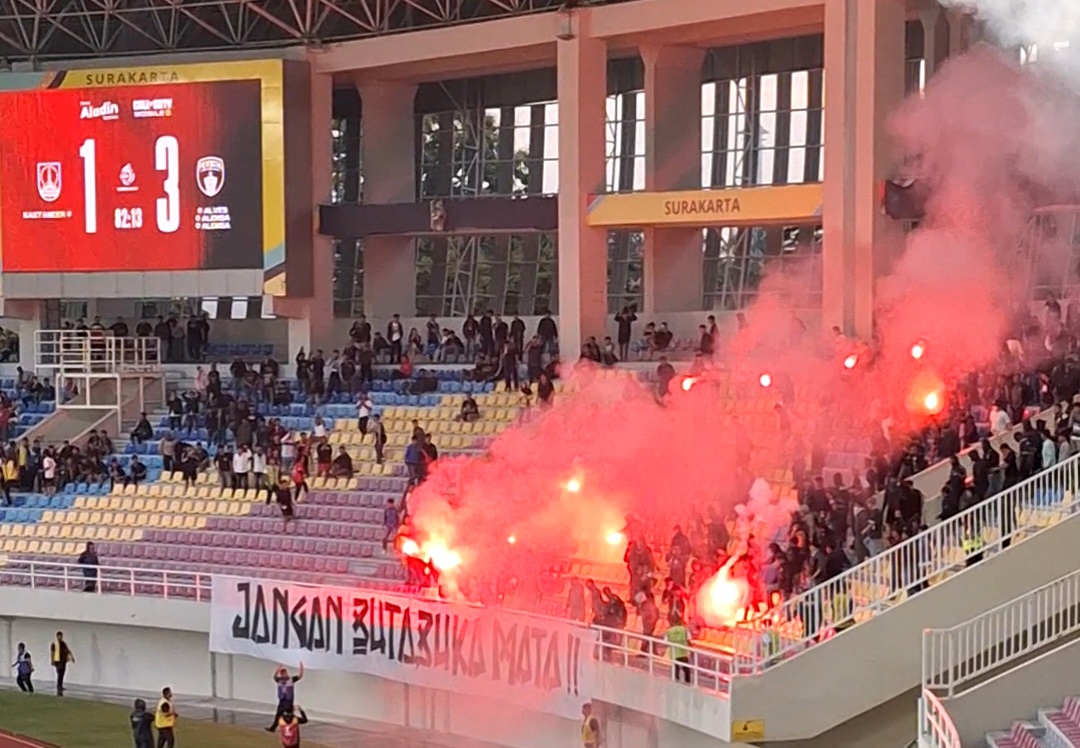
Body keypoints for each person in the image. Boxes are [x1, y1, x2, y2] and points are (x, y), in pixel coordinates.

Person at [265, 663, 304, 732]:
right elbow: (274, 677)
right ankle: (273, 728)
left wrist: (301, 668)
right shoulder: (279, 680)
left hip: (288, 701)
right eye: (282, 673)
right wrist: (278, 669)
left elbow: (300, 676)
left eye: (284, 673)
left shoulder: (291, 679)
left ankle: (293, 727)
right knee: (278, 715)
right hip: (282, 700)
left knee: (289, 716)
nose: (283, 674)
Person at [664, 617, 693, 684]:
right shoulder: (684, 629)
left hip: (674, 653)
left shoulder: (669, 631)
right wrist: (691, 648)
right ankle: (687, 681)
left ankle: (676, 680)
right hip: (683, 652)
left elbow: (666, 642)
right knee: (686, 668)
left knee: (675, 668)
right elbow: (689, 639)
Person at [50, 630, 74, 696]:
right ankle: (59, 685)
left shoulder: (63, 644)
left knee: (62, 673)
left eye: (61, 636)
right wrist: (52, 660)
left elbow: (67, 650)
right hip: (58, 660)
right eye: (59, 636)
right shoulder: (54, 644)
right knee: (60, 672)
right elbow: (52, 652)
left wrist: (71, 657)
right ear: (57, 636)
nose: (60, 637)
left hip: (63, 660)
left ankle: (60, 685)